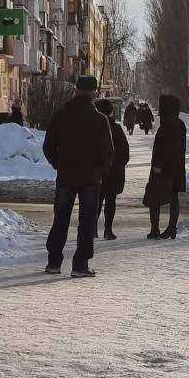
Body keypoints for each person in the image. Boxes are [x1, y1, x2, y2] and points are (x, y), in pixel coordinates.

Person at [42, 73, 114, 277]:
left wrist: (59, 164)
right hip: (91, 178)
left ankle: (54, 262)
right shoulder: (100, 120)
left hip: (66, 175)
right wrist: (101, 171)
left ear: (76, 90)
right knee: (87, 222)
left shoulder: (60, 115)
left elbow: (48, 146)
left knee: (61, 219)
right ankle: (80, 265)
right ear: (94, 93)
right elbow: (108, 152)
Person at [144, 93, 187, 239]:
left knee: (154, 198)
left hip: (162, 169)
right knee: (173, 197)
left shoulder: (167, 125)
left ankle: (155, 229)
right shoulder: (180, 124)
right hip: (177, 167)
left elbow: (165, 148)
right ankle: (171, 228)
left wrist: (158, 165)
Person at [97, 98, 131, 239]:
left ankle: (91, 229)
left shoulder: (94, 127)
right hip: (113, 173)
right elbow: (125, 152)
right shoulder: (116, 128)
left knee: (95, 202)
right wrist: (118, 165)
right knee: (110, 202)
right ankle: (108, 230)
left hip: (96, 173)